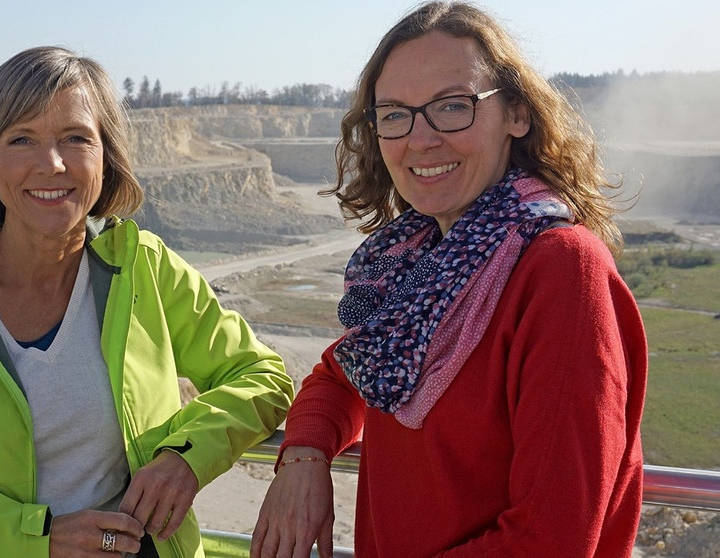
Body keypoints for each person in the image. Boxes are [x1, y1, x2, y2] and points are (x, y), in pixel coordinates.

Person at [0, 46, 294, 558]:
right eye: (22, 139)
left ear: (106, 156)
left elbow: (263, 375)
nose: (51, 164)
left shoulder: (144, 270)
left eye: (75, 138)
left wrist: (186, 457)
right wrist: (35, 540)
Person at [251, 2, 647, 557]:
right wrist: (304, 456)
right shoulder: (418, 265)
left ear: (517, 114)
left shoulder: (561, 271)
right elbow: (343, 374)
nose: (422, 138)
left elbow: (550, 539)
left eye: (452, 107)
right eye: (394, 114)